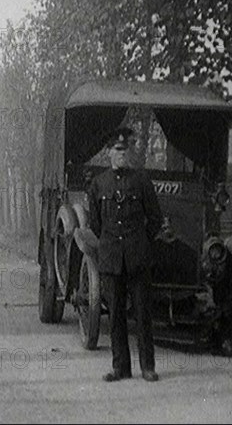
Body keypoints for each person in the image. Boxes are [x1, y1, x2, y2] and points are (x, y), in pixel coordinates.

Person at [88, 127, 163, 382]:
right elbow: (96, 224)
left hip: (137, 257)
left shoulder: (142, 181)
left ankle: (148, 367)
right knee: (116, 315)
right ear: (109, 153)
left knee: (143, 314)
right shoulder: (99, 184)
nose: (122, 154)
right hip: (112, 259)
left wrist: (140, 242)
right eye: (117, 150)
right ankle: (120, 367)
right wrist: (110, 244)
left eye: (126, 150)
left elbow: (155, 218)